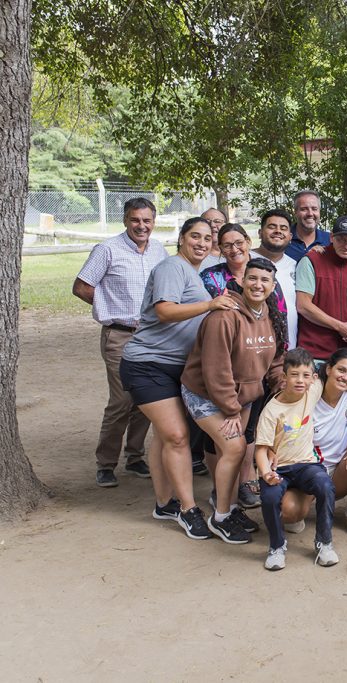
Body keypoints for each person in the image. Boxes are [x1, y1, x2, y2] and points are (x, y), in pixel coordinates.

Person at [119, 217, 236, 539]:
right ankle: (187, 508)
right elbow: (165, 311)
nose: (201, 242)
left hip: (177, 367)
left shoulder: (197, 272)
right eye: (194, 236)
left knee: (164, 436)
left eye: (206, 237)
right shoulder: (172, 267)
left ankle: (163, 503)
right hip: (148, 364)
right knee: (177, 436)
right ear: (181, 238)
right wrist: (211, 304)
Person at [180, 257, 286, 544]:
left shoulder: (270, 315)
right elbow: (216, 370)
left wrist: (285, 388)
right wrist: (229, 409)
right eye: (252, 278)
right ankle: (222, 518)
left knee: (232, 451)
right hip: (206, 393)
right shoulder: (223, 316)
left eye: (265, 280)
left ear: (273, 286)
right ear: (241, 281)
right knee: (236, 447)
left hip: (243, 396)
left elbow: (275, 362)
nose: (258, 284)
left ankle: (228, 505)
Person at [74, 197, 168, 487]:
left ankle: (135, 456)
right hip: (120, 336)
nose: (141, 226)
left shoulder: (159, 251)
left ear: (153, 222)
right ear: (126, 220)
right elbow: (81, 287)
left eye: (147, 220)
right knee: (122, 400)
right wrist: (109, 306)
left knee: (145, 398)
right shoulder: (107, 250)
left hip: (151, 336)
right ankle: (106, 463)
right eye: (135, 220)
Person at [279, 349, 347, 540]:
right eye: (341, 370)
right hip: (308, 471)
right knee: (288, 511)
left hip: (340, 472)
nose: (346, 377)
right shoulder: (308, 394)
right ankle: (304, 504)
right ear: (328, 369)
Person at [255, 348, 338, 570]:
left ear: (312, 378)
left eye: (305, 375)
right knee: (270, 497)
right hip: (278, 468)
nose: (300, 380)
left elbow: (331, 368)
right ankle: (276, 546)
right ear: (284, 377)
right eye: (294, 375)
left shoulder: (312, 390)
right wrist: (266, 473)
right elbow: (261, 450)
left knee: (325, 485)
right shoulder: (271, 410)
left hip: (305, 464)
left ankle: (324, 543)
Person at [295, 215, 347, 358]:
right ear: (331, 237)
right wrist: (340, 327)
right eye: (341, 239)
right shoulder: (311, 261)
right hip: (314, 353)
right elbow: (303, 305)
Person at [254, 209, 299, 349]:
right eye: (272, 227)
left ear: (290, 236)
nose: (278, 231)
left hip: (287, 350)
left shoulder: (296, 265)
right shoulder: (245, 261)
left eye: (283, 228)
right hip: (253, 347)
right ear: (260, 233)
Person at [285, 190, 331, 261]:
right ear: (295, 212)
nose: (310, 213)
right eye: (304, 209)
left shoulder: (330, 240)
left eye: (314, 209)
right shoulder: (283, 238)